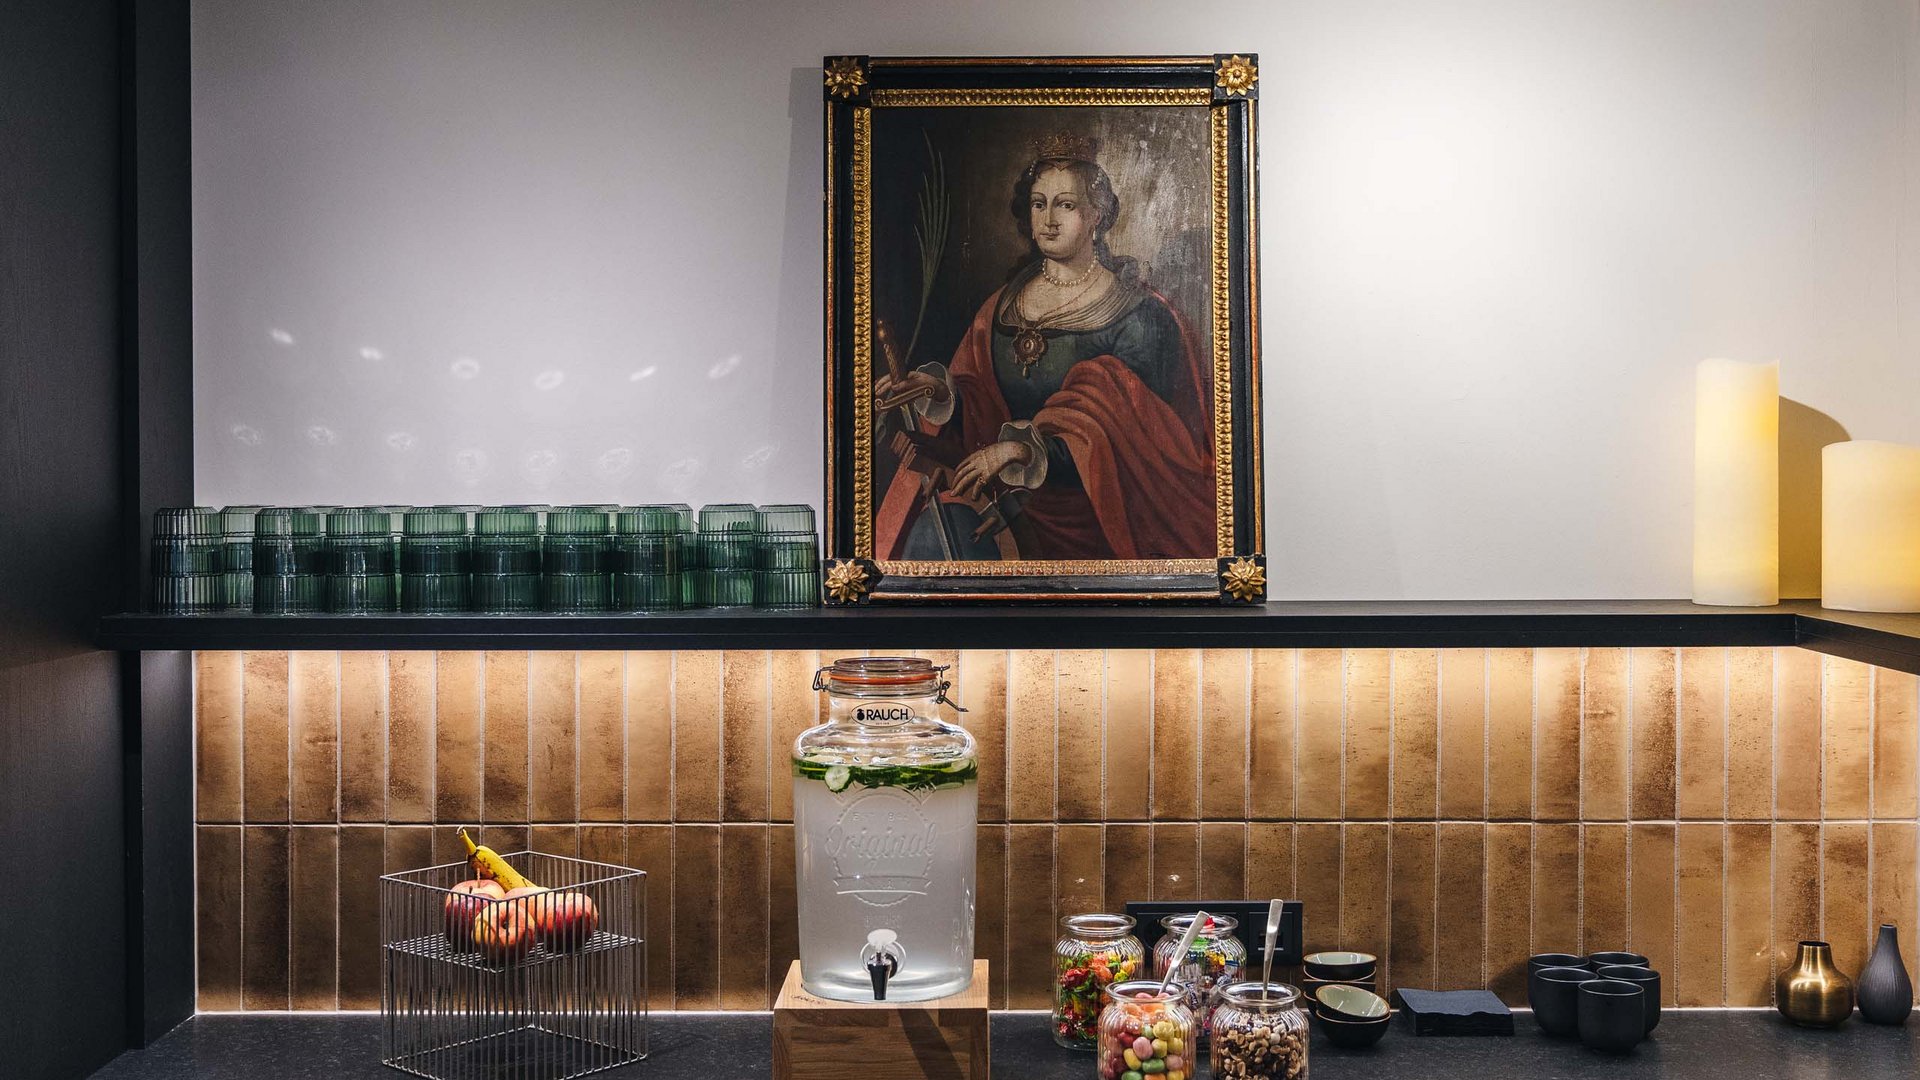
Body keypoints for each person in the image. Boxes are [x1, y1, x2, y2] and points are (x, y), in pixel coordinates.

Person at [874, 133, 1215, 561]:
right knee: (933, 540)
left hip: (1102, 520)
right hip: (1005, 500)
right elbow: (983, 404)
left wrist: (1020, 450)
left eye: (1066, 205)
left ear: (1097, 214)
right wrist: (941, 391)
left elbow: (1138, 447)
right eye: (1039, 204)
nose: (1049, 220)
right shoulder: (1003, 305)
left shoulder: (1140, 317)